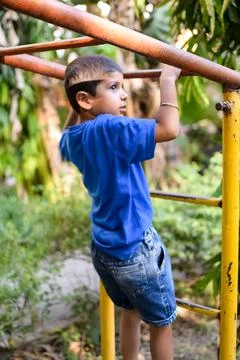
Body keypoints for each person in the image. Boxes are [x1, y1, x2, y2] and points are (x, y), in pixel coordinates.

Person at [60, 55, 181, 360]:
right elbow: (169, 129)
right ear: (85, 99)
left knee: (130, 310)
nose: (124, 94)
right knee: (162, 322)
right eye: (114, 87)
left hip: (105, 250)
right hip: (135, 246)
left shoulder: (73, 138)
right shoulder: (111, 128)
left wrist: (78, 108)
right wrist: (167, 81)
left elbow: (67, 131)